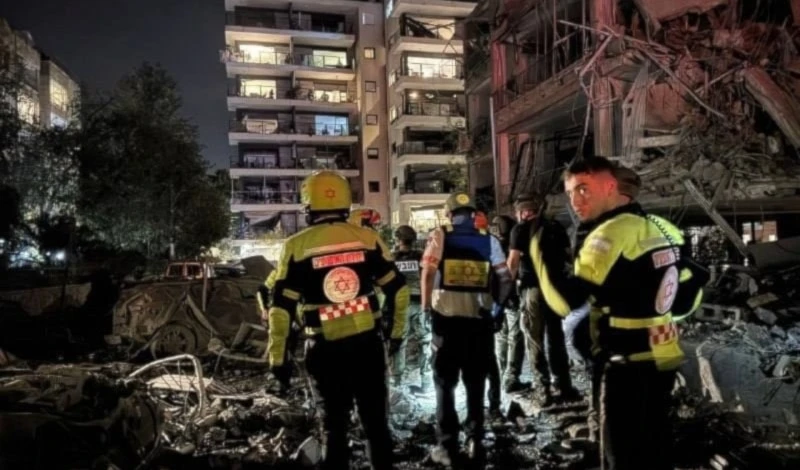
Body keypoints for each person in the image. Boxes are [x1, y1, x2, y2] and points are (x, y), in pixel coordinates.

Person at [533, 156, 704, 470]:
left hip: (623, 360)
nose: (576, 201)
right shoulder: (661, 227)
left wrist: (539, 254)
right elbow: (689, 291)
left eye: (584, 190)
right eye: (572, 193)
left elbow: (563, 302)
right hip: (663, 354)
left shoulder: (609, 234)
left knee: (621, 453)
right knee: (655, 442)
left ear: (613, 189)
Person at [266, 170, 409, 470]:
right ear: (345, 203)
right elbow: (398, 291)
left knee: (334, 427)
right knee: (375, 423)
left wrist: (278, 360)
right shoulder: (368, 239)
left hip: (324, 350)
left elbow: (280, 310)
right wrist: (395, 334)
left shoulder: (295, 247)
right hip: (367, 347)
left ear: (308, 205)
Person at [421, 192, 513, 466]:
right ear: (473, 213)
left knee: (444, 384)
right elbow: (506, 279)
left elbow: (427, 273)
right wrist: (496, 310)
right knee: (475, 383)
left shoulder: (440, 236)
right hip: (479, 322)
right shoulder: (489, 240)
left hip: (446, 322)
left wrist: (426, 308)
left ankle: (448, 446)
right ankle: (475, 441)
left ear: (449, 214)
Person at [508, 193, 579, 406]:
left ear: (522, 212)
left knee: (534, 339)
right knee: (555, 338)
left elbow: (512, 262)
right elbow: (570, 256)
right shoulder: (556, 227)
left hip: (533, 290)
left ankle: (543, 388)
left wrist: (506, 290)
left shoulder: (519, 229)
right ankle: (564, 385)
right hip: (556, 290)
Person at [485, 215, 525, 418]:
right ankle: (510, 376)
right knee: (515, 336)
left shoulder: (493, 245)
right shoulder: (513, 244)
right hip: (512, 297)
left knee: (502, 336)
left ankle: (503, 375)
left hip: (498, 298)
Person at [389, 224, 431, 391]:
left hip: (401, 305)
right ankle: (426, 382)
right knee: (425, 341)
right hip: (419, 303)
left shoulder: (392, 259)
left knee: (399, 341)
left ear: (398, 239)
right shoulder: (420, 257)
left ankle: (398, 382)